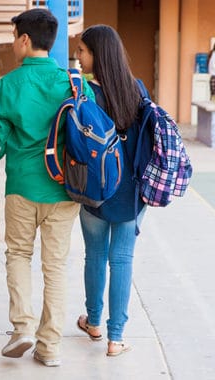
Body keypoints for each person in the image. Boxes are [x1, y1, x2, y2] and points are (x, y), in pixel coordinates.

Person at [0, 8, 88, 367]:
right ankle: (50, 347)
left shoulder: (7, 84)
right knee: (56, 267)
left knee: (18, 255)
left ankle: (23, 328)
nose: (13, 44)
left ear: (25, 40)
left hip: (21, 186)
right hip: (65, 190)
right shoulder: (75, 83)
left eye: (14, 37)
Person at [73, 24, 152, 357]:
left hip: (95, 190)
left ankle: (92, 321)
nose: (78, 56)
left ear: (97, 54)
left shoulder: (83, 93)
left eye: (82, 51)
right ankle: (115, 338)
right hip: (131, 191)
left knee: (95, 255)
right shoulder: (137, 88)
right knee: (122, 260)